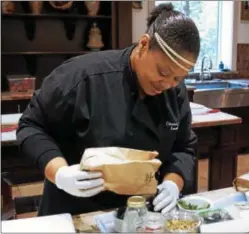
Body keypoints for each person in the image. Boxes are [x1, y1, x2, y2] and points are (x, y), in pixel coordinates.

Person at [16, 3, 200, 216]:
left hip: (139, 214)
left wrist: (172, 184)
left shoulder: (174, 92)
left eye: (178, 78)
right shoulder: (83, 76)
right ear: (143, 44)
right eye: (163, 72)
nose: (167, 84)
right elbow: (31, 126)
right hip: (75, 210)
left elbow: (184, 146)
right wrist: (60, 173)